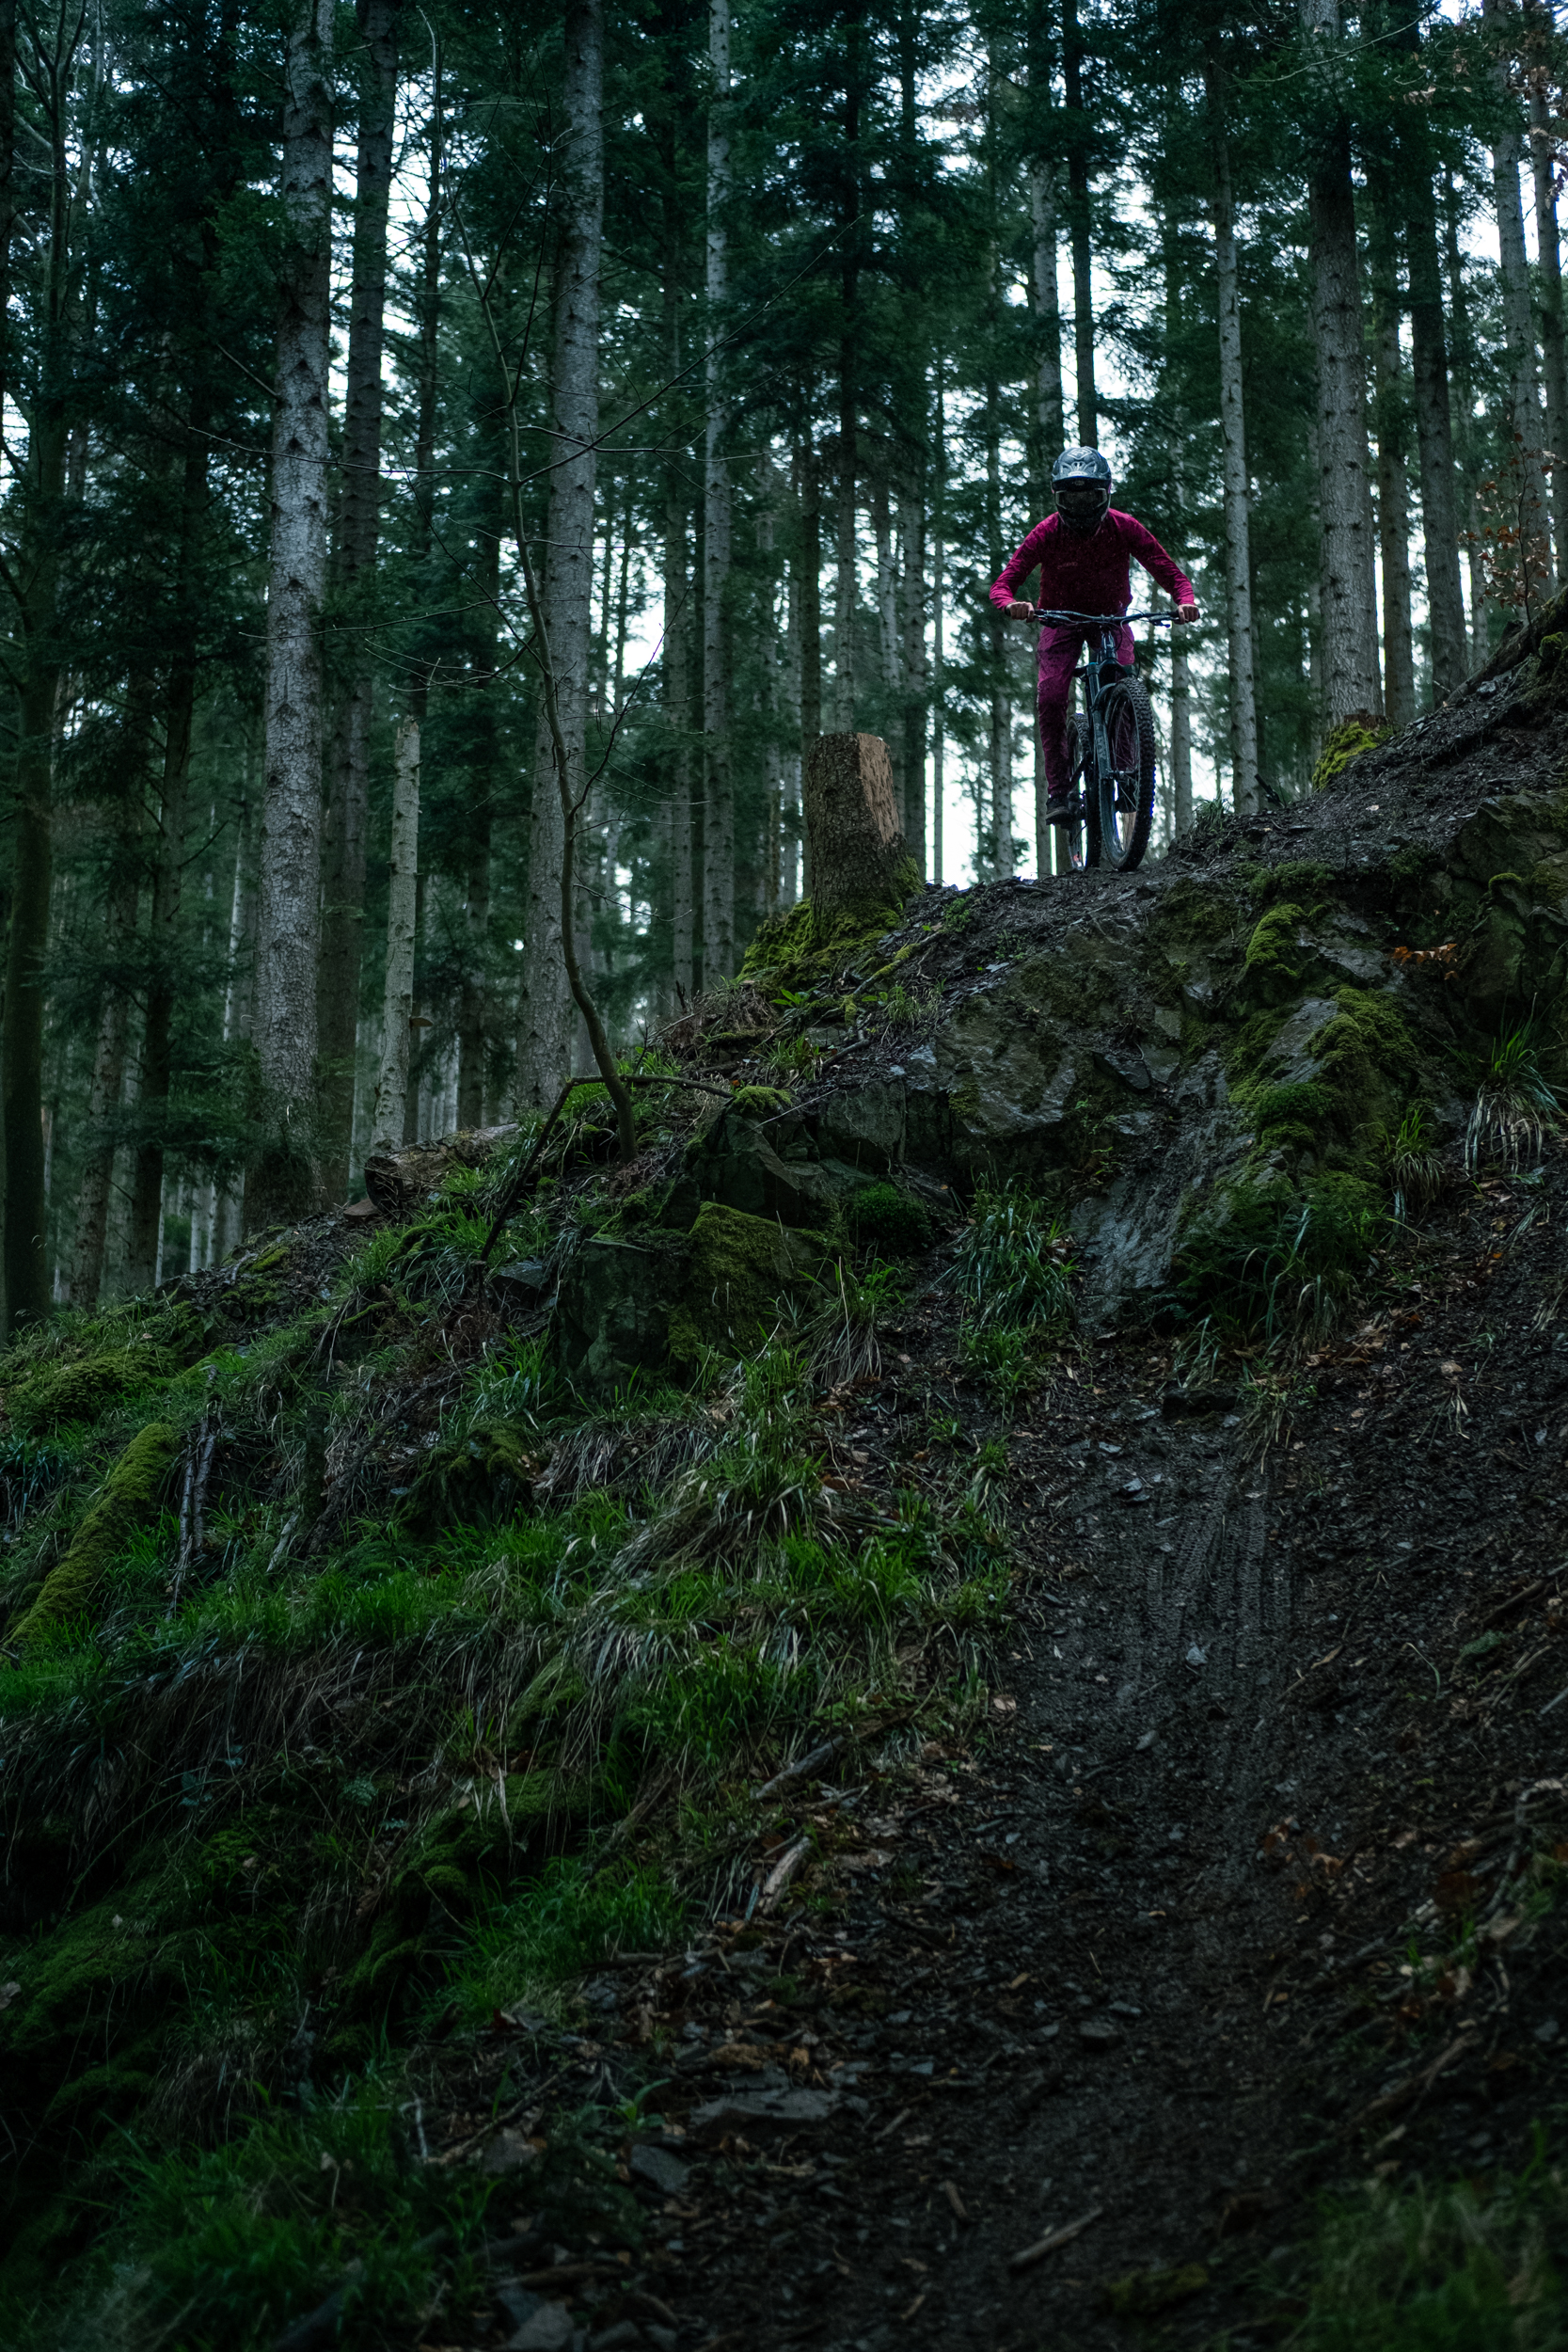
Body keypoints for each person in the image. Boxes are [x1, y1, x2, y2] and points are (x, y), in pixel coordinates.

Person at [989, 448, 1199, 825]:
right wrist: (1012, 605)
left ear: (1106, 494)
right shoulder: (1046, 532)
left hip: (1110, 619)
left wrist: (1185, 602)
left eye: (1090, 497)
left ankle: (1127, 775)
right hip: (1059, 622)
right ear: (1057, 497)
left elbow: (1171, 574)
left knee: (1123, 682)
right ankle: (1060, 792)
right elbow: (1003, 585)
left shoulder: (1124, 527)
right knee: (1052, 697)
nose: (1082, 507)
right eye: (1072, 499)